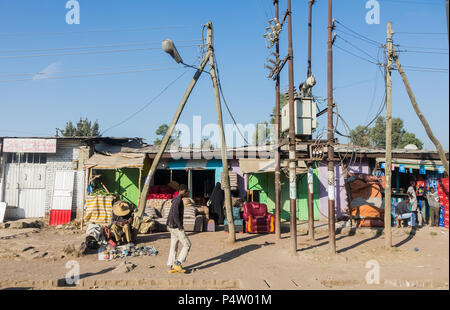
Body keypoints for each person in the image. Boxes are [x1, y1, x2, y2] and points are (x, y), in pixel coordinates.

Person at [167, 184, 191, 274]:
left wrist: (168, 224)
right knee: (187, 244)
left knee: (174, 246)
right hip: (176, 227)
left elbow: (171, 213)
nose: (186, 193)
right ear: (183, 191)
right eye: (186, 192)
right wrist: (180, 226)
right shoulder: (178, 201)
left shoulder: (176, 200)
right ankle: (178, 262)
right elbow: (175, 214)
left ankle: (171, 265)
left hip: (171, 226)